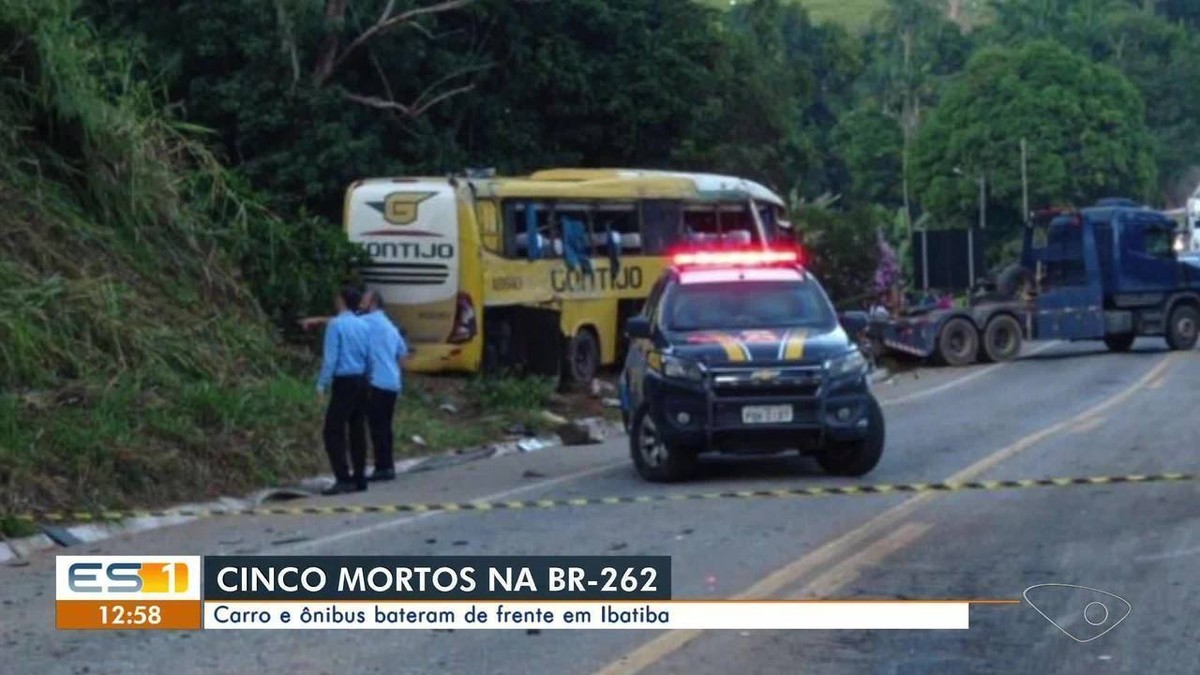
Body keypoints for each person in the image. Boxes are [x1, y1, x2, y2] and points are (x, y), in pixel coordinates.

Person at [315, 286, 372, 495]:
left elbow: (331, 359)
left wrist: (322, 384)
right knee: (357, 429)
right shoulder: (364, 326)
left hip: (344, 381)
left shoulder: (336, 325)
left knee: (333, 430)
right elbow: (369, 356)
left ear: (342, 301)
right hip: (362, 380)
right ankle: (360, 477)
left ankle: (342, 477)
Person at [359, 290, 409, 481]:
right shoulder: (390, 326)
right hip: (392, 382)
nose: (361, 303)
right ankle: (388, 465)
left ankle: (382, 467)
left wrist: (316, 321)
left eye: (364, 300)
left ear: (372, 303)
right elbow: (402, 355)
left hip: (377, 381)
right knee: (386, 426)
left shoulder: (368, 322)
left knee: (377, 426)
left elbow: (343, 323)